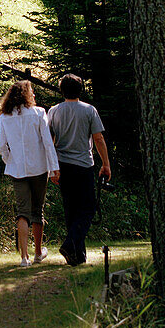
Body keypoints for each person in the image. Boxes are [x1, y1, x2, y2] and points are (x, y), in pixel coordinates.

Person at [47, 73, 111, 266]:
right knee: (88, 209)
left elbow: (49, 141)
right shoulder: (89, 110)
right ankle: (70, 244)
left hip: (63, 165)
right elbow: (98, 138)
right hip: (83, 165)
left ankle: (77, 256)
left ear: (62, 90)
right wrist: (106, 164)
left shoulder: (53, 111)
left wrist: (52, 168)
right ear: (80, 90)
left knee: (71, 209)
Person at [0, 80, 60, 268]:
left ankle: (24, 258)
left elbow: (1, 146)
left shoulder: (5, 116)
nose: (34, 95)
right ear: (26, 95)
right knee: (37, 210)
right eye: (31, 92)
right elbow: (48, 143)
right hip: (39, 168)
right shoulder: (39, 112)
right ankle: (38, 253)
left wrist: (10, 161)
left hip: (17, 170)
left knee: (22, 212)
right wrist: (54, 167)